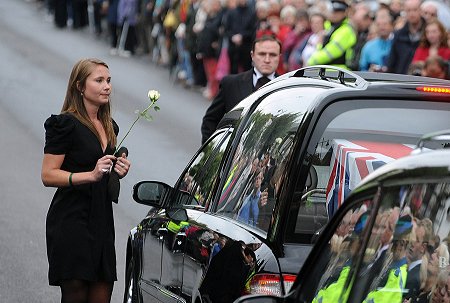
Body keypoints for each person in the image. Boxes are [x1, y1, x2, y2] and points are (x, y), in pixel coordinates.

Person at [41, 58, 131, 303]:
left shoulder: (109, 126)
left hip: (102, 221)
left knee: (103, 294)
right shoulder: (64, 124)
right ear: (80, 86)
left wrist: (117, 171)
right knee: (76, 295)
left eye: (109, 81)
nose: (107, 87)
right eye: (99, 80)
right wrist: (90, 175)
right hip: (71, 220)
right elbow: (48, 174)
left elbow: (105, 172)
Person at [200, 34, 281, 144]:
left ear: (279, 57)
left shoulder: (288, 87)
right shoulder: (231, 84)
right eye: (262, 54)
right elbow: (210, 121)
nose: (267, 60)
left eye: (272, 55)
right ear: (252, 55)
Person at [306, 0, 357, 70]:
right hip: (328, 71)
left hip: (341, 73)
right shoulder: (330, 27)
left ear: (345, 13)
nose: (334, 14)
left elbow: (330, 53)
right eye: (333, 11)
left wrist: (311, 61)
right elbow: (320, 46)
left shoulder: (346, 30)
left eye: (338, 12)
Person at [386, 0, 425, 74]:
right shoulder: (398, 34)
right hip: (402, 79)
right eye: (408, 10)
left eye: (415, 10)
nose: (411, 13)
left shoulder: (427, 32)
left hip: (422, 80)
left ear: (420, 11)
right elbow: (392, 61)